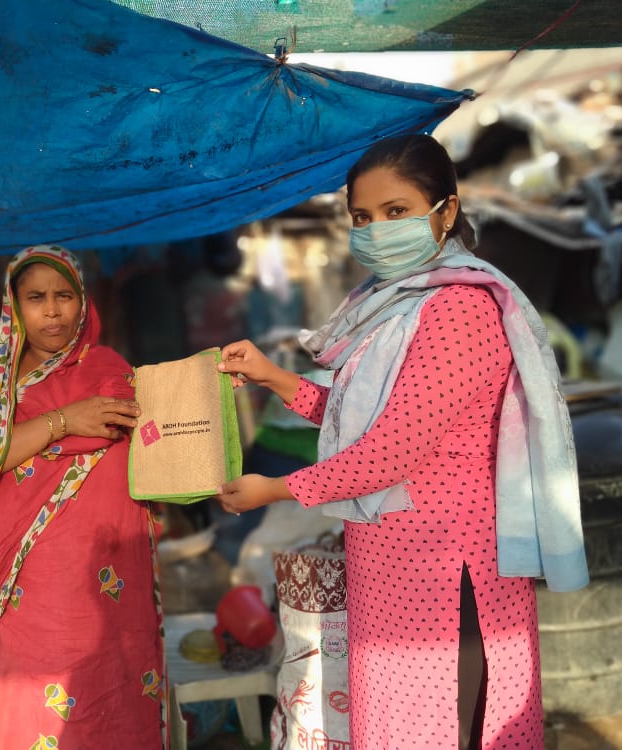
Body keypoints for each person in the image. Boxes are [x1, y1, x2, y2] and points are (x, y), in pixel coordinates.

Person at [214, 134, 588, 750]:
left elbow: (391, 450)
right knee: (402, 726)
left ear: (445, 210)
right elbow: (368, 425)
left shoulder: (457, 309)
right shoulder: (392, 306)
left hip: (448, 571)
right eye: (362, 217)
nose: (376, 230)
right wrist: (277, 379)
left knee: (451, 726)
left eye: (396, 212)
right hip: (392, 562)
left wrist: (277, 490)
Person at [0, 245, 167, 750]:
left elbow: (154, 446)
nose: (52, 311)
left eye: (64, 296)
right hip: (31, 579)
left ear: (83, 302)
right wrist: (65, 422)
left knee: (112, 687)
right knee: (36, 704)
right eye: (36, 298)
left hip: (111, 570)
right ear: (13, 305)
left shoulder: (110, 368)